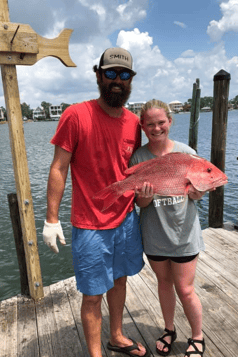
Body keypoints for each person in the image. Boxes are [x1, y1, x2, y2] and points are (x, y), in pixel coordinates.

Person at [42, 47, 149, 357]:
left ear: (131, 80)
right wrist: (51, 218)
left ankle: (116, 336)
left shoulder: (134, 124)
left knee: (119, 281)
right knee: (92, 295)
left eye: (124, 74)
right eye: (111, 73)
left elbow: (135, 170)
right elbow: (59, 167)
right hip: (90, 225)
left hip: (126, 220)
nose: (118, 80)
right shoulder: (76, 115)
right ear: (99, 75)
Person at [130, 99, 206, 357]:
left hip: (184, 235)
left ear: (170, 122)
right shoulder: (138, 156)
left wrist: (196, 192)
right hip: (154, 235)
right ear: (143, 126)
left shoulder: (186, 153)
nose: (156, 128)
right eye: (150, 124)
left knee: (185, 289)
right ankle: (169, 328)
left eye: (161, 122)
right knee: (164, 284)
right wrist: (146, 196)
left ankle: (197, 335)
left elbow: (197, 196)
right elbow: (140, 203)